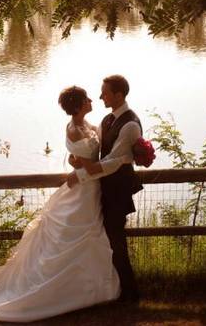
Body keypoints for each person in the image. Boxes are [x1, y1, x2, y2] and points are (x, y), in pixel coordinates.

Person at [0, 86, 130, 322]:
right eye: (86, 99)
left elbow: (82, 159)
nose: (91, 100)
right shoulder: (75, 130)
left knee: (90, 236)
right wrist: (92, 163)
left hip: (89, 188)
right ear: (77, 106)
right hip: (83, 189)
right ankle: (70, 292)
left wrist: (80, 162)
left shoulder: (89, 125)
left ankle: (87, 290)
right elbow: (85, 163)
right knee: (78, 236)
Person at [66, 74, 142, 302]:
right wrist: (77, 160)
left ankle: (130, 294)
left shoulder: (130, 124)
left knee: (116, 242)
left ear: (118, 95)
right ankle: (110, 289)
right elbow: (94, 151)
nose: (100, 97)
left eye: (105, 93)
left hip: (117, 192)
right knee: (106, 241)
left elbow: (113, 162)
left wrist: (79, 173)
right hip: (101, 190)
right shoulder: (107, 120)